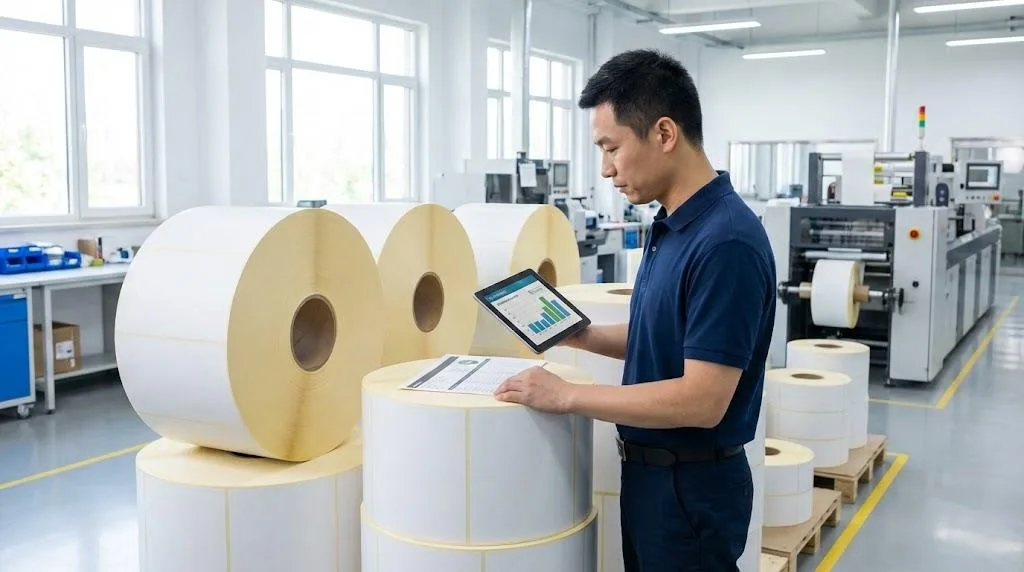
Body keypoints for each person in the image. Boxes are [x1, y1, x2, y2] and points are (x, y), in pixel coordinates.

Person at [494, 49, 777, 571]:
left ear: (664, 133)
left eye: (612, 148)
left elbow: (703, 399)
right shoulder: (671, 225)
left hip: (689, 489)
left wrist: (568, 396)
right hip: (654, 479)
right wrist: (579, 335)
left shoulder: (726, 242)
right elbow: (662, 336)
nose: (606, 169)